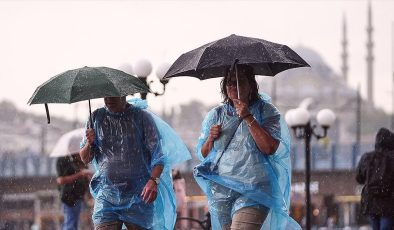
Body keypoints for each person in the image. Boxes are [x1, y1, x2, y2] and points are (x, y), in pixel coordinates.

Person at [194, 64, 300, 230]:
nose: (233, 86)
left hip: (255, 188)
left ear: (251, 85)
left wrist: (248, 117)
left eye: (239, 82)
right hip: (222, 189)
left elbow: (270, 148)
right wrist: (210, 139)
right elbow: (204, 153)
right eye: (229, 82)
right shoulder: (216, 115)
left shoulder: (266, 111)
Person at [79, 96, 190, 230]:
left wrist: (153, 181)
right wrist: (89, 143)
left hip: (139, 196)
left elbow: (158, 157)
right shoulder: (96, 118)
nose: (108, 98)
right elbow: (85, 158)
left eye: (113, 94)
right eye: (106, 94)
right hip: (107, 196)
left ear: (124, 94)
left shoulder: (142, 118)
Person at [356, 127, 394, 230]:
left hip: (371, 202)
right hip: (389, 202)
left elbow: (359, 178)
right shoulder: (392, 158)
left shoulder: (367, 158)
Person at [56, 153, 92, 230]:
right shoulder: (63, 159)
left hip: (79, 196)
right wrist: (80, 174)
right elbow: (60, 180)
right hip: (69, 197)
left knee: (75, 223)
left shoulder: (80, 160)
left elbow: (86, 181)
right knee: (70, 223)